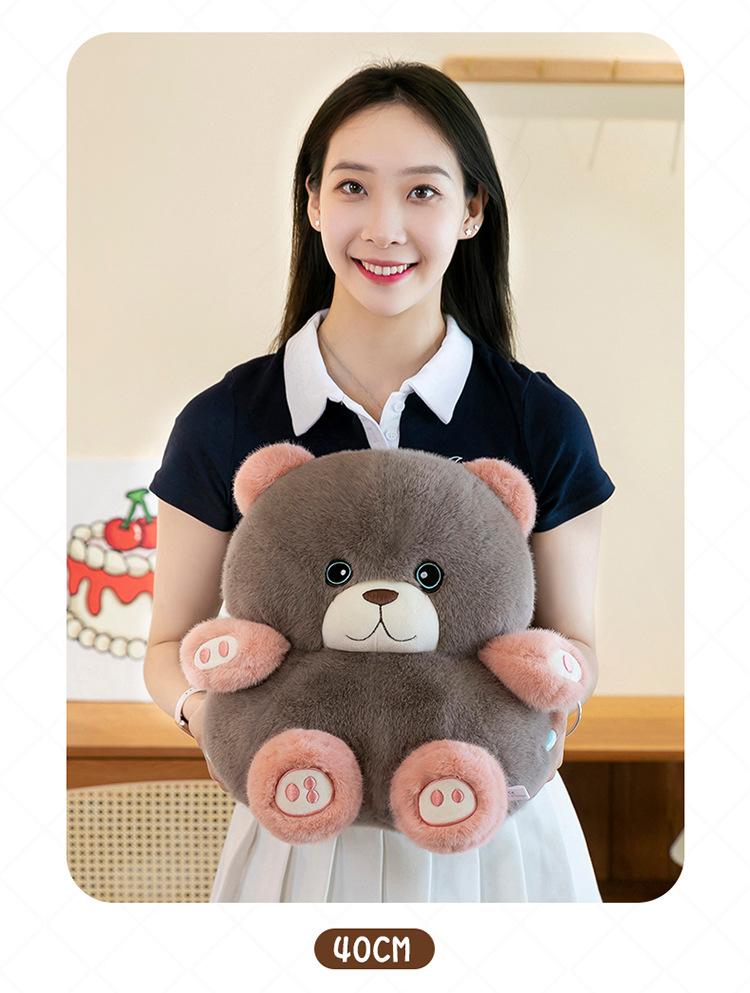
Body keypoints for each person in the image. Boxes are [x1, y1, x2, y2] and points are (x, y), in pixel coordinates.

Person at [144, 61, 614, 902]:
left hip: (493, 829)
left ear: (472, 210)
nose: (385, 228)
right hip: (297, 822)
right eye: (353, 187)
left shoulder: (539, 421)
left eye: (423, 192)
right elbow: (168, 644)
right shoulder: (226, 422)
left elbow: (572, 648)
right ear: (313, 203)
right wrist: (221, 724)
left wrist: (520, 740)